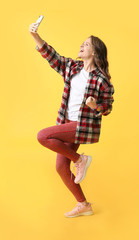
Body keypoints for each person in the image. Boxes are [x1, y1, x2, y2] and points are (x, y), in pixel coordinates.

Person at [29, 22, 114, 218]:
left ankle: (80, 159)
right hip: (66, 123)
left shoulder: (102, 80)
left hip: (82, 126)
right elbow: (52, 57)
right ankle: (83, 204)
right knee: (60, 167)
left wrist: (95, 106)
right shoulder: (72, 68)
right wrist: (35, 36)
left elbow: (107, 107)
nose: (81, 46)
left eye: (86, 44)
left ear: (94, 52)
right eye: (82, 43)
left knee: (42, 135)